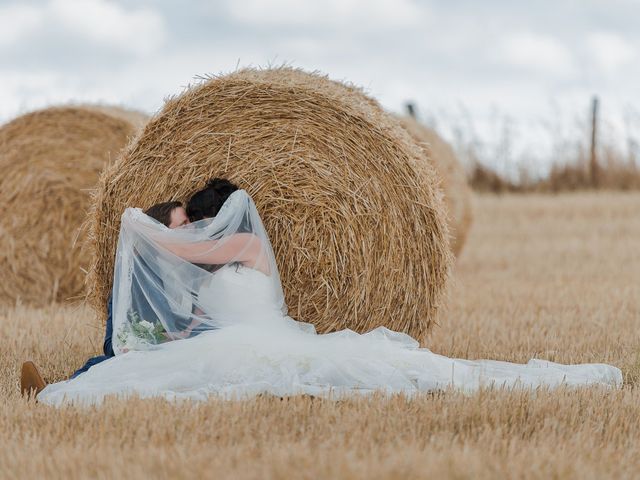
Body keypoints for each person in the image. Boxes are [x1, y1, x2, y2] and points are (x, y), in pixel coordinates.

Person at [32, 183, 623, 406]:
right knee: (148, 369)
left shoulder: (243, 251)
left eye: (193, 220)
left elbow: (183, 252)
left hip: (256, 343)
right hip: (229, 341)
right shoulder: (210, 271)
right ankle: (72, 378)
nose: (184, 230)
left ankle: (67, 385)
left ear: (216, 223)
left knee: (165, 383)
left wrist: (141, 226)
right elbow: (184, 315)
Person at [20, 180, 238, 398]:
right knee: (123, 364)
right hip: (130, 342)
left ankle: (59, 389)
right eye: (183, 224)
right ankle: (57, 391)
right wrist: (172, 338)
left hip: (164, 344)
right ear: (161, 234)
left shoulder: (188, 270)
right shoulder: (142, 272)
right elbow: (137, 332)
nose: (191, 229)